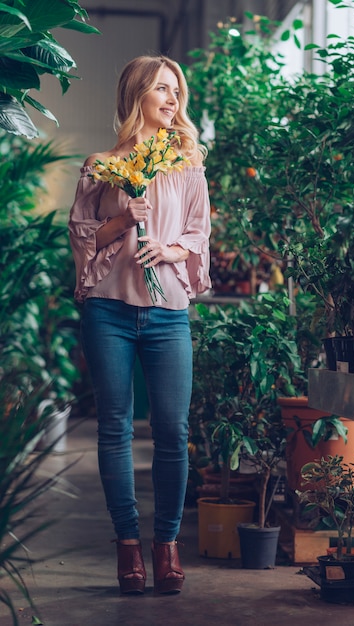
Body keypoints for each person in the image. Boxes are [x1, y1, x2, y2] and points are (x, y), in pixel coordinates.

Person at [68, 55, 211, 595]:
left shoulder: (187, 163)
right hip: (108, 310)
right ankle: (127, 546)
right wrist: (124, 219)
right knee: (116, 428)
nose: (173, 99)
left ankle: (166, 545)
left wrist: (167, 248)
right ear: (136, 96)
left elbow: (198, 236)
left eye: (177, 90)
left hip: (168, 311)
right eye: (161, 89)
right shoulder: (100, 165)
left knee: (173, 431)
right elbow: (84, 240)